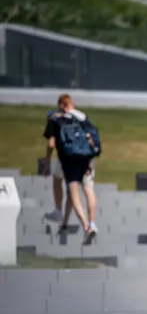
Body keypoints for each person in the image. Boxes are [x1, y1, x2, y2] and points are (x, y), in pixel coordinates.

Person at [43, 94, 99, 244]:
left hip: (69, 158)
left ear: (62, 104)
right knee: (88, 189)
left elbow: (51, 144)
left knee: (71, 191)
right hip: (87, 158)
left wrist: (47, 162)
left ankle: (78, 222)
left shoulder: (57, 119)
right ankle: (90, 223)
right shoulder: (82, 117)